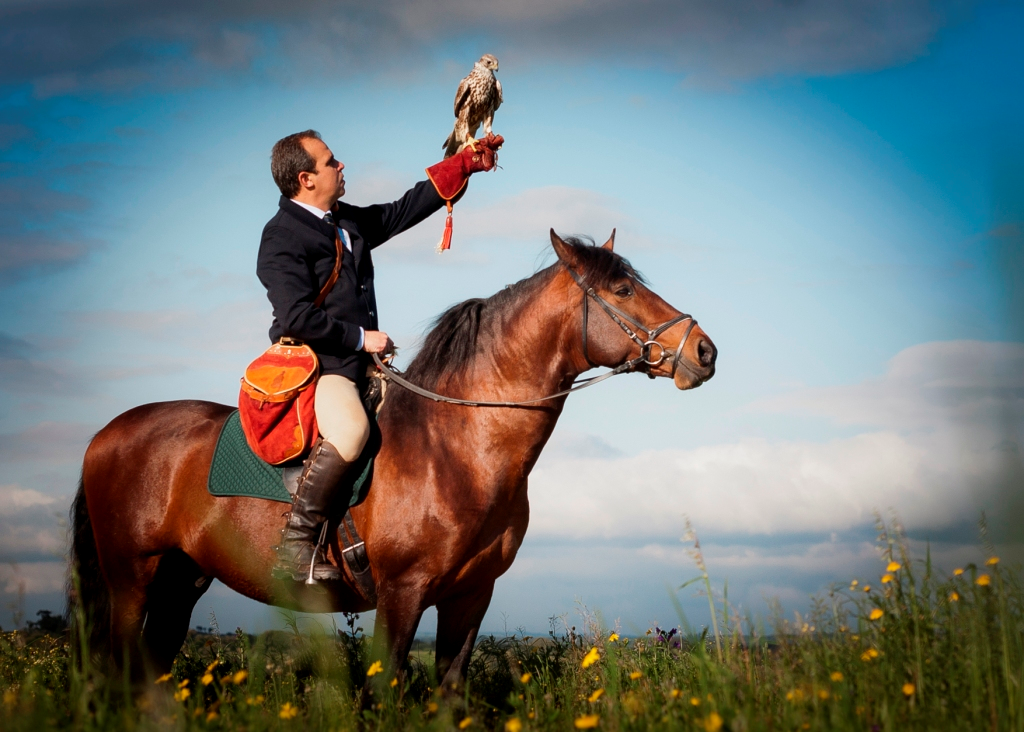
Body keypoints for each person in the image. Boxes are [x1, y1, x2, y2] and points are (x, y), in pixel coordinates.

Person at [257, 129, 503, 582]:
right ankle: (295, 547)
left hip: (364, 368)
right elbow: (294, 316)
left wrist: (463, 164)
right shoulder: (280, 236)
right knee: (351, 431)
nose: (341, 166)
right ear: (306, 179)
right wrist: (360, 338)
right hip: (322, 368)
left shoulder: (343, 220)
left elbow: (400, 211)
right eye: (331, 161)